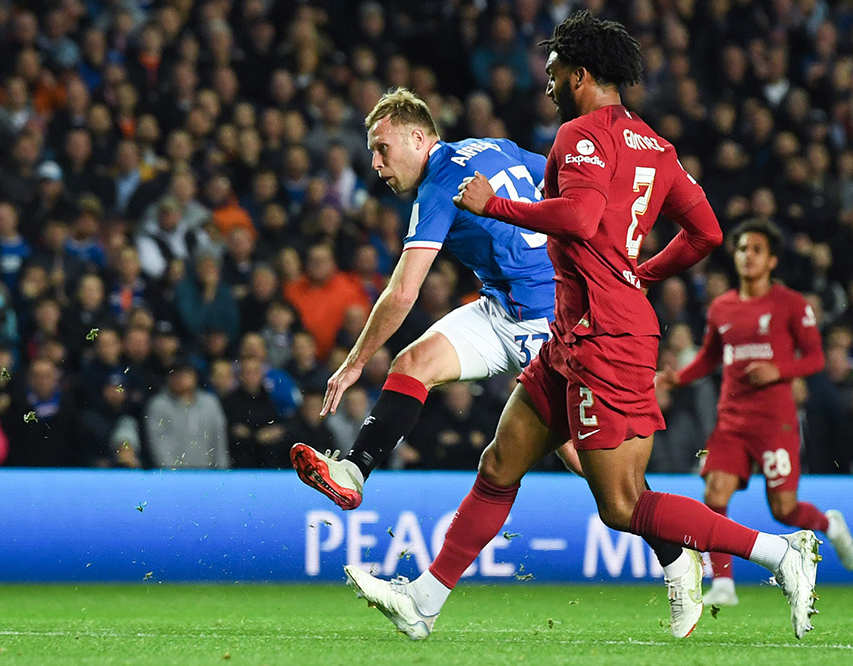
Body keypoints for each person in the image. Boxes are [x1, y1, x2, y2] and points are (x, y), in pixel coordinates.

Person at [344, 12, 818, 642]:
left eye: (552, 75)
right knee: (500, 461)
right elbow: (707, 233)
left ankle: (781, 554)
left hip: (605, 337)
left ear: (580, 74)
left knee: (622, 505)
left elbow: (581, 215)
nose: (546, 86)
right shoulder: (656, 146)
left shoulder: (579, 136)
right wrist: (642, 272)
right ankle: (422, 603)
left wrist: (499, 207)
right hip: (576, 328)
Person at [289, 85, 691, 631]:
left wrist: (356, 360)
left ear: (418, 136)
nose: (376, 164)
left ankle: (677, 557)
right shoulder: (490, 147)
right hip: (500, 306)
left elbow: (404, 292)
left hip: (545, 318)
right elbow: (558, 177)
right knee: (412, 364)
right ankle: (354, 471)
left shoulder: (439, 184)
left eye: (383, 148)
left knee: (592, 470)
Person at [657, 219, 853, 606]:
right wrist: (677, 378)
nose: (748, 256)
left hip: (774, 422)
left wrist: (779, 371)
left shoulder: (791, 305)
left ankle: (829, 524)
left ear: (772, 260)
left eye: (756, 250)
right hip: (731, 421)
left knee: (785, 510)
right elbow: (710, 358)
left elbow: (815, 357)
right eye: (743, 248)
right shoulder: (721, 307)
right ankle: (724, 584)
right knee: (715, 492)